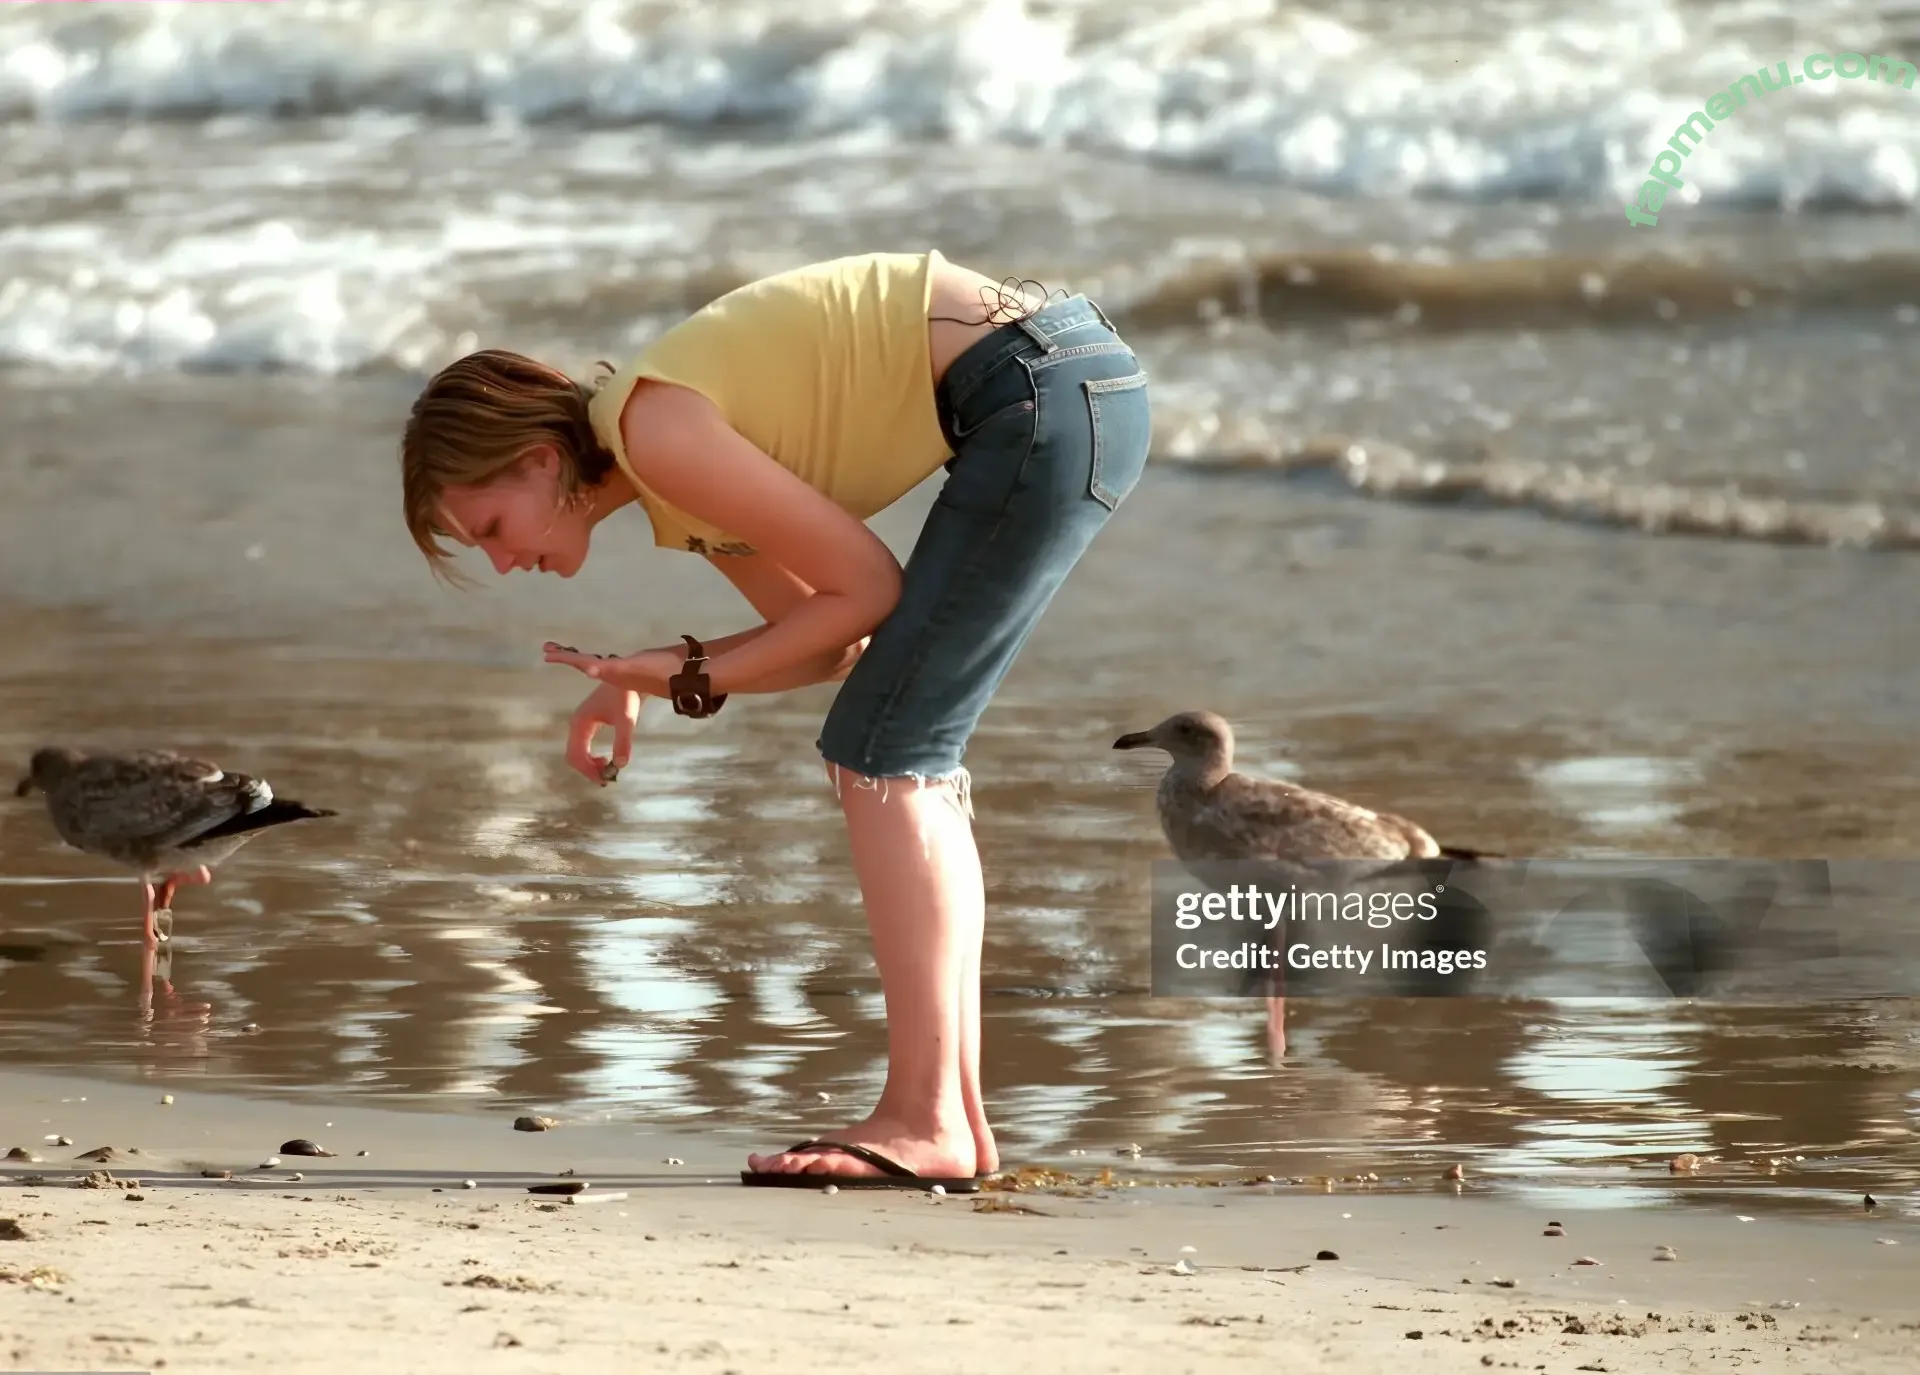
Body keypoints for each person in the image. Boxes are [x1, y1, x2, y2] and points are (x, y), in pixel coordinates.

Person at [398, 249, 1153, 1190]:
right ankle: (951, 1114)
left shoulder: (655, 430)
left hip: (1038, 388)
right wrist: (656, 674)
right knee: (893, 742)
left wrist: (690, 673)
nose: (504, 564)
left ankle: (927, 1117)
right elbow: (829, 642)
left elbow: (865, 589)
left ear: (541, 460)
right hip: (1060, 384)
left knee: (885, 749)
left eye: (495, 529)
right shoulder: (668, 474)